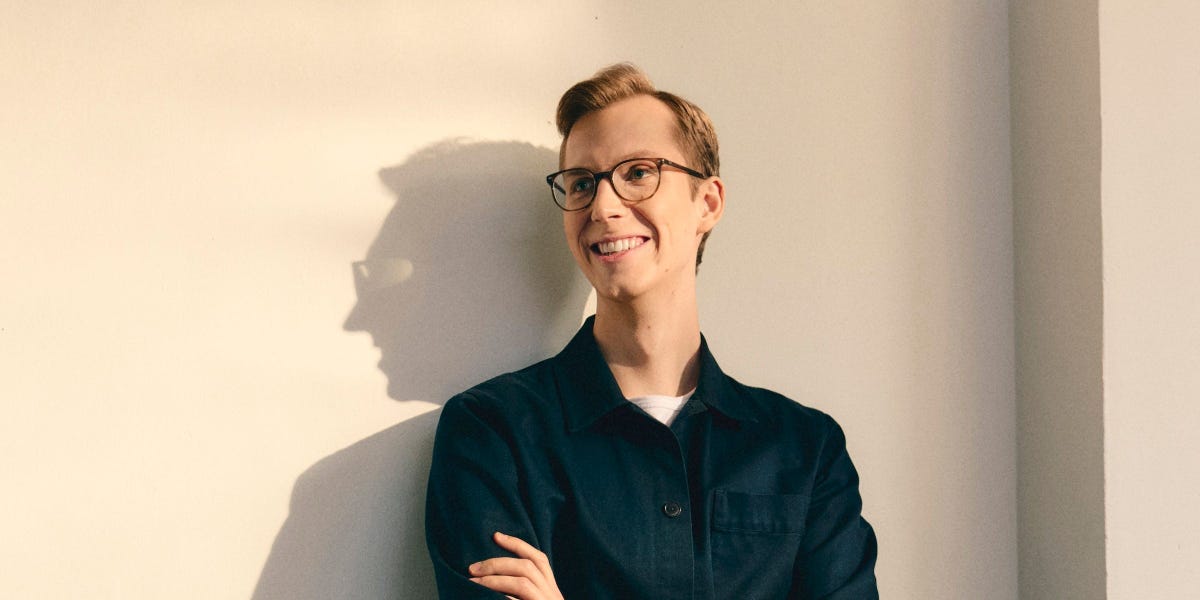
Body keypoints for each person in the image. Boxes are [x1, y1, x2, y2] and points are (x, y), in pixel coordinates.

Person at [425, 63, 878, 599]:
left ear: (707, 203)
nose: (602, 206)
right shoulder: (493, 432)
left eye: (639, 173)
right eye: (582, 183)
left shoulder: (805, 449)